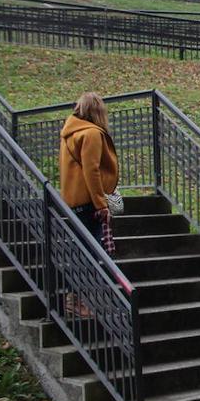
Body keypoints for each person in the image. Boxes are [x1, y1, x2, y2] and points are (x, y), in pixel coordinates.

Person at [59, 93, 119, 318]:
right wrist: (101, 203)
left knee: (84, 251)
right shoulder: (92, 133)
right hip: (88, 202)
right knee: (90, 254)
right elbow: (91, 170)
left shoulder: (70, 133)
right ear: (98, 111)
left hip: (72, 202)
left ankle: (75, 299)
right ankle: (75, 300)